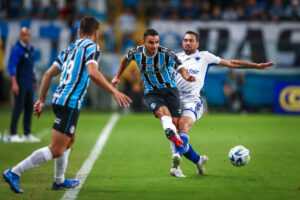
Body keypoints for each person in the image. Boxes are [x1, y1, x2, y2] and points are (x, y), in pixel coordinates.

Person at [3, 16, 132, 194]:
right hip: (69, 103)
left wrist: (40, 100)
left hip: (59, 100)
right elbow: (93, 73)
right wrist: (114, 91)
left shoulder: (69, 48)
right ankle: (14, 172)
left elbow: (48, 74)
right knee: (56, 149)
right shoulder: (92, 47)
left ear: (79, 32)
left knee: (70, 141)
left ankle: (59, 180)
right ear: (96, 33)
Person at [169, 31, 274, 177]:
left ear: (197, 43)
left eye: (191, 40)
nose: (187, 42)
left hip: (192, 100)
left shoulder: (205, 56)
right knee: (175, 137)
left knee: (183, 127)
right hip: (174, 100)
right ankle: (198, 161)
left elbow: (232, 63)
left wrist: (255, 66)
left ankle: (176, 163)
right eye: (185, 40)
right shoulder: (175, 58)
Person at [111, 28, 195, 149]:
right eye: (151, 42)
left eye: (157, 42)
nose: (155, 45)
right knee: (163, 113)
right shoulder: (136, 52)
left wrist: (187, 76)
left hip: (170, 90)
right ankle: (175, 158)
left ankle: (188, 156)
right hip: (152, 92)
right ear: (144, 42)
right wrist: (117, 76)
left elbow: (180, 67)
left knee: (175, 125)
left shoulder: (166, 54)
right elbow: (126, 59)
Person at [8, 27, 40, 142]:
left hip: (29, 83)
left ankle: (27, 134)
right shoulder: (17, 49)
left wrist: (35, 80)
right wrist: (14, 83)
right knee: (18, 108)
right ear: (21, 36)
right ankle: (13, 134)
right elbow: (12, 66)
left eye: (28, 35)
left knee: (28, 108)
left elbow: (31, 67)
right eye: (24, 35)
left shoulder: (30, 49)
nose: (26, 37)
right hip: (20, 83)